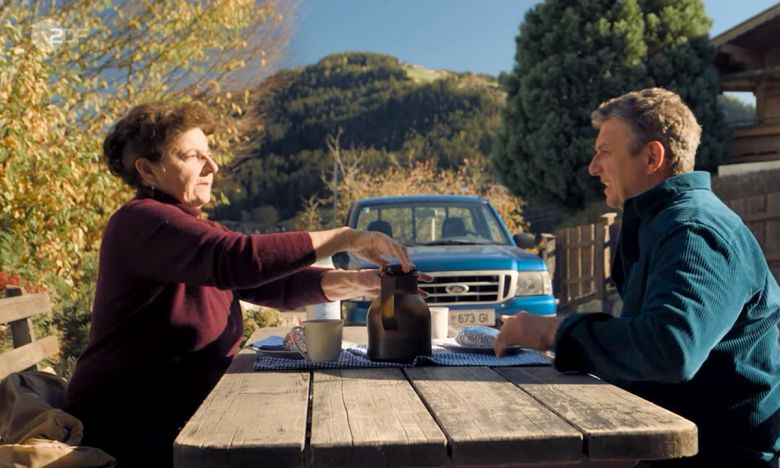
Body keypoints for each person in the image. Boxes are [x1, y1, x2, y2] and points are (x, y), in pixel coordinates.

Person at [64, 102, 416, 466]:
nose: (212, 167)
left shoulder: (191, 228)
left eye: (209, 154)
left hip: (187, 414)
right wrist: (344, 237)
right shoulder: (140, 221)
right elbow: (236, 260)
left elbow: (267, 286)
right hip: (130, 426)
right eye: (193, 156)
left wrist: (359, 283)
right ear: (147, 169)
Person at [494, 88, 780, 467]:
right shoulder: (661, 223)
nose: (594, 167)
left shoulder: (695, 230)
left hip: (718, 457)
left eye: (605, 151)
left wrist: (552, 333)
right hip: (664, 444)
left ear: (652, 156)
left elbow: (670, 347)